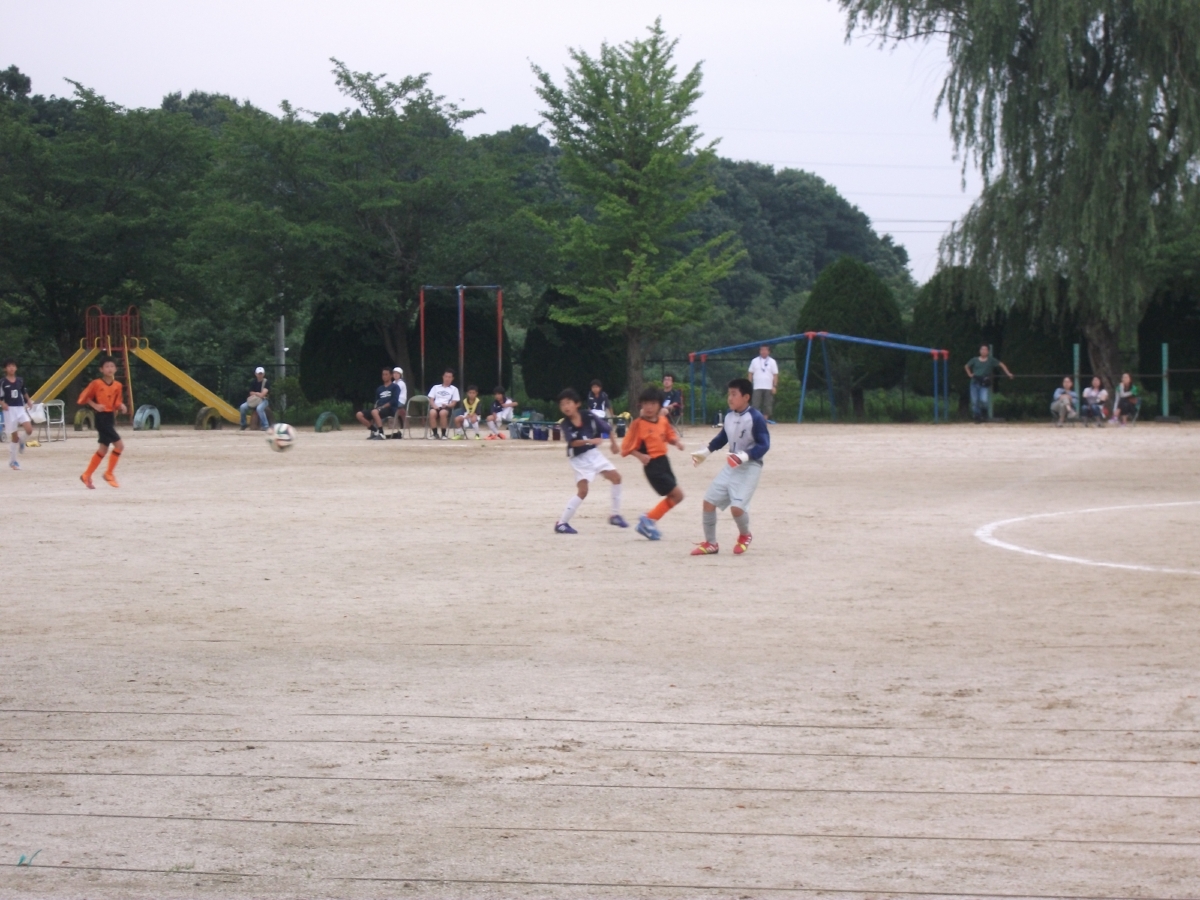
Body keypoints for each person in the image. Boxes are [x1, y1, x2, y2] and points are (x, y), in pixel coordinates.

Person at [689, 378, 770, 556]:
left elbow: (764, 445)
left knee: (737, 508)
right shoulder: (729, 416)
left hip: (750, 466)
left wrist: (745, 456)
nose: (730, 398)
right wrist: (706, 452)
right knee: (709, 502)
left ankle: (745, 535)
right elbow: (723, 437)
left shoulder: (755, 418)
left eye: (734, 394)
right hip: (732, 464)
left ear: (746, 397)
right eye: (729, 394)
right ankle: (711, 544)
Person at [554, 388, 627, 534]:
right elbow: (573, 443)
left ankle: (614, 515)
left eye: (568, 403)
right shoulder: (566, 424)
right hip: (578, 459)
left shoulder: (588, 415)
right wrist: (590, 441)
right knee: (583, 491)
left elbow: (607, 428)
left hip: (593, 454)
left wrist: (614, 444)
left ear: (577, 404)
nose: (565, 407)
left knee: (616, 478)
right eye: (562, 404)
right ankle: (562, 523)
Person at [621, 387, 686, 541]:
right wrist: (640, 456)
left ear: (659, 405)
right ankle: (648, 519)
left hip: (664, 462)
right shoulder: (638, 424)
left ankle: (648, 520)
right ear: (641, 405)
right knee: (678, 495)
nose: (649, 407)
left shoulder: (662, 420)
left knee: (675, 496)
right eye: (646, 404)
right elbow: (626, 447)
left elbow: (669, 434)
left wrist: (676, 442)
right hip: (653, 466)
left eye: (653, 404)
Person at [78, 356, 128, 489]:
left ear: (116, 369)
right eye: (107, 366)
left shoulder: (118, 385)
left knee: (103, 449)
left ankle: (86, 475)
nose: (109, 369)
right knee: (120, 446)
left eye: (112, 366)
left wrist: (121, 405)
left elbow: (116, 402)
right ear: (101, 369)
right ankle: (109, 473)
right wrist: (95, 405)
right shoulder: (96, 383)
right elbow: (84, 397)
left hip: (110, 417)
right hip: (101, 418)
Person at [964, 345, 1014, 423]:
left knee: (983, 400)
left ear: (988, 352)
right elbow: (966, 366)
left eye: (985, 350)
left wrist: (1008, 373)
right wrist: (969, 374)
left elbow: (1001, 364)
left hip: (984, 383)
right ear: (979, 351)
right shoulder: (974, 360)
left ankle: (983, 413)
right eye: (982, 349)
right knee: (975, 401)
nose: (983, 351)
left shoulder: (991, 360)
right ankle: (977, 416)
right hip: (974, 382)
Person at [1, 358, 33, 471]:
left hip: (20, 408)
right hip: (9, 410)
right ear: (5, 368)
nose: (11, 368)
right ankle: (13, 461)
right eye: (9, 366)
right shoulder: (3, 382)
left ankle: (22, 440)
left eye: (13, 366)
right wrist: (2, 403)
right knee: (14, 436)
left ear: (16, 368)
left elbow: (24, 391)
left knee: (29, 429)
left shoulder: (20, 380)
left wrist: (28, 401)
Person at [356, 367, 402, 440]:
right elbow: (377, 401)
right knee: (359, 414)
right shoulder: (379, 389)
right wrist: (377, 408)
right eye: (383, 374)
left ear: (391, 376)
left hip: (390, 409)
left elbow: (394, 400)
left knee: (374, 412)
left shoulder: (395, 387)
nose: (384, 376)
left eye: (386, 374)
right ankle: (375, 431)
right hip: (378, 409)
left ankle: (381, 433)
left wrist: (382, 407)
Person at [427, 368, 461, 439]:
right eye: (446, 376)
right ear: (443, 377)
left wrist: (447, 405)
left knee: (442, 413)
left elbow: (454, 403)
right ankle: (435, 434)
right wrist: (434, 406)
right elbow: (431, 399)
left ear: (452, 379)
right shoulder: (436, 387)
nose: (447, 379)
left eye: (449, 377)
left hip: (447, 407)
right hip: (436, 406)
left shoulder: (454, 389)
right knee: (432, 412)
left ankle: (443, 434)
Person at [748, 345, 779, 422]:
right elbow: (750, 373)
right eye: (762, 350)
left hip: (768, 386)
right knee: (755, 404)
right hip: (757, 386)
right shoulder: (754, 361)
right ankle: (755, 419)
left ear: (768, 351)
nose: (763, 352)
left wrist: (774, 386)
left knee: (767, 404)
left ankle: (765, 420)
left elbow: (775, 375)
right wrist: (749, 384)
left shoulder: (772, 361)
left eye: (765, 350)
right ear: (759, 351)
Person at [239, 366, 270, 431]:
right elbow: (251, 393)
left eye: (261, 373)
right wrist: (258, 393)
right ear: (256, 374)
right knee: (242, 407)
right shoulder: (253, 382)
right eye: (259, 373)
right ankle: (243, 424)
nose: (260, 375)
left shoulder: (266, 382)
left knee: (259, 409)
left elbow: (263, 395)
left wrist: (255, 393)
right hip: (254, 400)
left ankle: (265, 425)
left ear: (264, 374)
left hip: (263, 400)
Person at [388, 367, 408, 438]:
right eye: (394, 373)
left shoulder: (401, 383)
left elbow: (395, 394)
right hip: (395, 400)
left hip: (400, 400)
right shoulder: (393, 383)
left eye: (397, 373)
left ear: (400, 375)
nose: (395, 375)